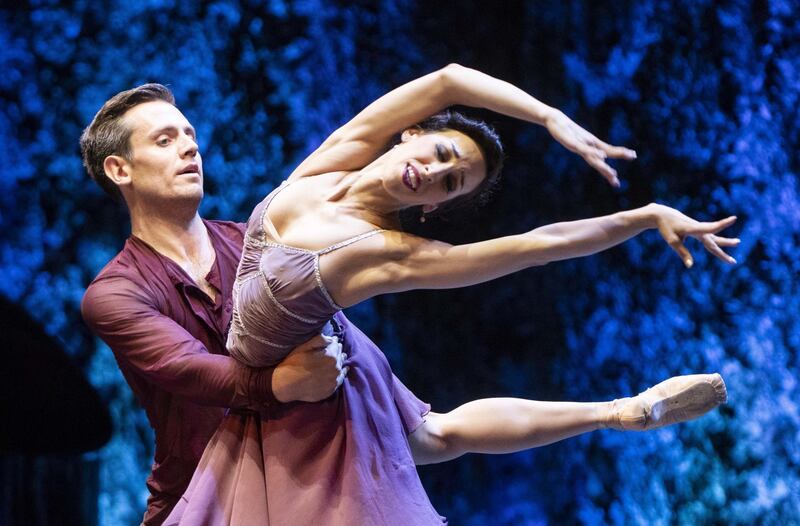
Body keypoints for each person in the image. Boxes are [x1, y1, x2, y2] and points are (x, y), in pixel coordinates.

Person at [164, 64, 735, 525]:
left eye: (450, 182)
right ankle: (615, 412)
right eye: (440, 155)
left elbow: (540, 244)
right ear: (414, 133)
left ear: (435, 206)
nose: (433, 173)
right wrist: (547, 115)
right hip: (308, 357)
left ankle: (617, 412)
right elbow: (449, 79)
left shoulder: (387, 252)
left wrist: (642, 216)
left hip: (309, 385)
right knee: (431, 438)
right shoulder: (333, 159)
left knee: (437, 436)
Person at [79, 86, 350, 525]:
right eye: (164, 140)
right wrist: (283, 382)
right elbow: (189, 368)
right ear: (119, 169)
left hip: (306, 483)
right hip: (201, 501)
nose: (189, 147)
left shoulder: (256, 245)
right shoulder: (115, 293)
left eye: (190, 136)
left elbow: (331, 321)